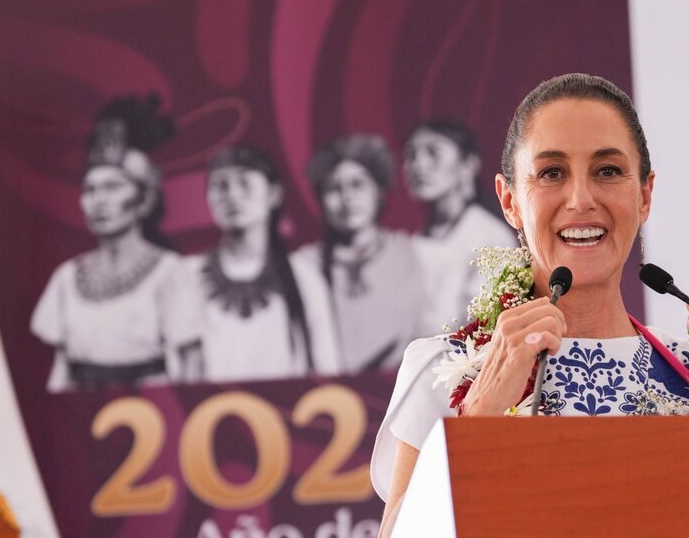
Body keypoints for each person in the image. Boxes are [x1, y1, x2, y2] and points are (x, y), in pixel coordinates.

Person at [371, 74, 689, 536]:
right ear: (509, 202)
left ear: (645, 194)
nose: (581, 200)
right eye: (551, 173)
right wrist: (482, 412)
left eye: (608, 171)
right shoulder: (446, 369)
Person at [31, 95, 198, 391]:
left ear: (144, 200)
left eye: (113, 187)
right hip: (83, 416)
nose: (99, 201)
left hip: (154, 415)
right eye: (91, 190)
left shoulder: (171, 272)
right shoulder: (67, 278)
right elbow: (61, 370)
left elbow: (191, 368)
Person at [178, 146, 342, 382]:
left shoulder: (304, 275)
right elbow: (182, 377)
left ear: (274, 194)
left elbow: (328, 370)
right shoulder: (187, 275)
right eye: (221, 186)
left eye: (245, 183)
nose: (232, 196)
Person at [293, 134, 424, 372]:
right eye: (334, 188)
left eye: (358, 184)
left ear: (378, 191)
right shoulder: (303, 265)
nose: (347, 198)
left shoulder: (412, 252)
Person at [403, 119, 517, 336]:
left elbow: (484, 327)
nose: (418, 165)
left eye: (434, 153)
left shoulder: (492, 239)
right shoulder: (413, 242)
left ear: (468, 164)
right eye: (411, 155)